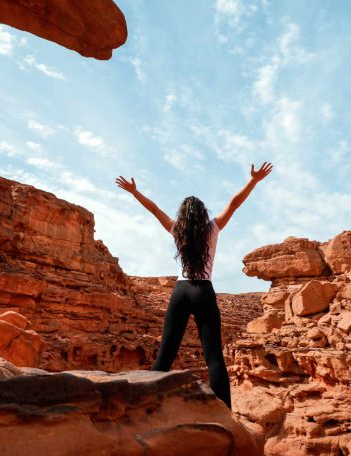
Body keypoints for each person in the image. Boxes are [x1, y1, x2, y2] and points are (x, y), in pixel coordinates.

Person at [115, 161, 273, 409]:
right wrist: (253, 180)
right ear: (202, 214)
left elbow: (155, 210)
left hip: (180, 291)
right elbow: (234, 204)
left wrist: (134, 192)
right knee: (214, 359)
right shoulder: (213, 228)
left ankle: (141, 408)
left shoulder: (177, 230)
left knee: (165, 356)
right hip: (203, 291)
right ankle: (225, 413)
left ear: (182, 215)